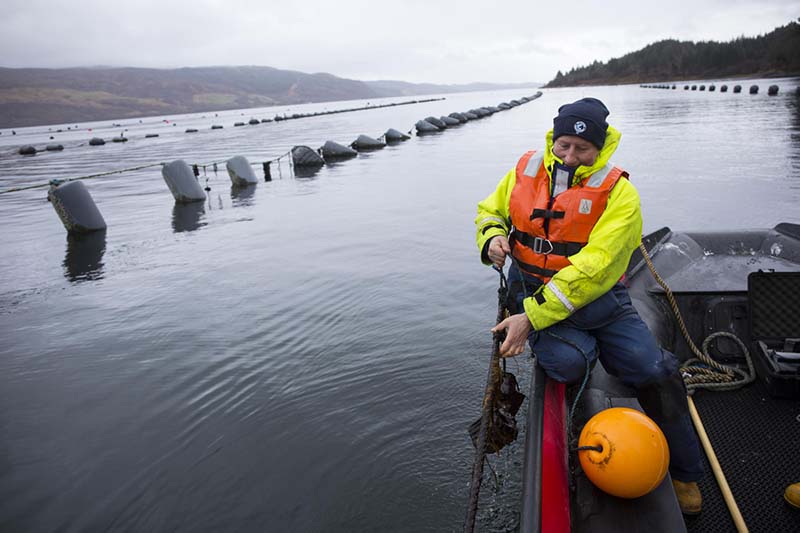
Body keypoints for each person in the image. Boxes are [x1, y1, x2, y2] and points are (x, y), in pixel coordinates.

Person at [474, 97, 705, 515]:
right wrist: (491, 237)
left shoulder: (621, 194)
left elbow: (596, 269)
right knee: (568, 365)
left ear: (600, 148)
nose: (571, 155)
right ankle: (583, 348)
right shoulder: (524, 169)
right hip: (533, 292)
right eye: (564, 145)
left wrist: (531, 319)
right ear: (553, 139)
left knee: (655, 370)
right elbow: (489, 209)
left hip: (599, 302)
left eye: (582, 149)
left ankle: (686, 473)